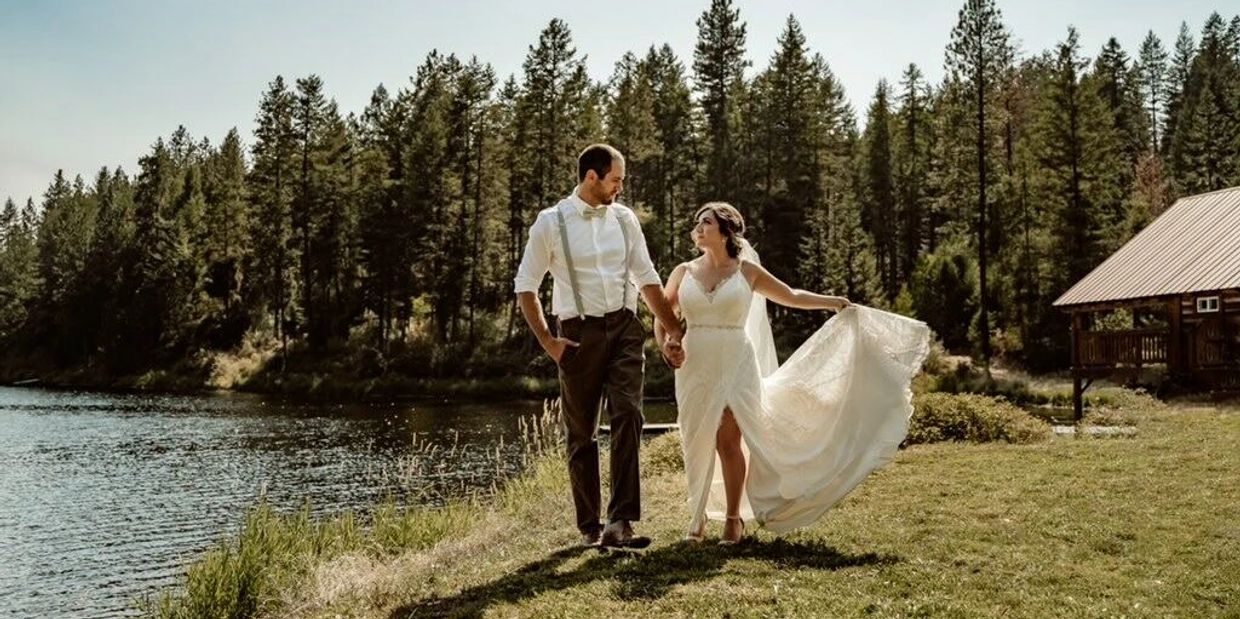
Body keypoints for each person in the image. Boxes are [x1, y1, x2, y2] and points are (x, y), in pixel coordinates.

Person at [655, 202, 931, 543]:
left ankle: (731, 519)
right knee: (697, 437)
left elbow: (790, 295)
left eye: (706, 222)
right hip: (696, 364)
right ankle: (696, 517)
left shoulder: (747, 272)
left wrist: (832, 302)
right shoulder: (683, 272)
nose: (697, 227)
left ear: (726, 231)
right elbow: (663, 313)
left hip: (737, 361)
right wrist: (668, 343)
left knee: (729, 439)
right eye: (696, 222)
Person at [514, 144, 684, 548]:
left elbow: (647, 278)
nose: (620, 189)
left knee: (629, 413)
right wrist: (550, 343)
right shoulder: (550, 222)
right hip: (577, 334)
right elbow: (526, 288)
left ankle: (620, 521)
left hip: (625, 328)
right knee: (582, 433)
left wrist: (675, 329)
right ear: (591, 177)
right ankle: (590, 527)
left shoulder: (625, 220)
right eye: (615, 180)